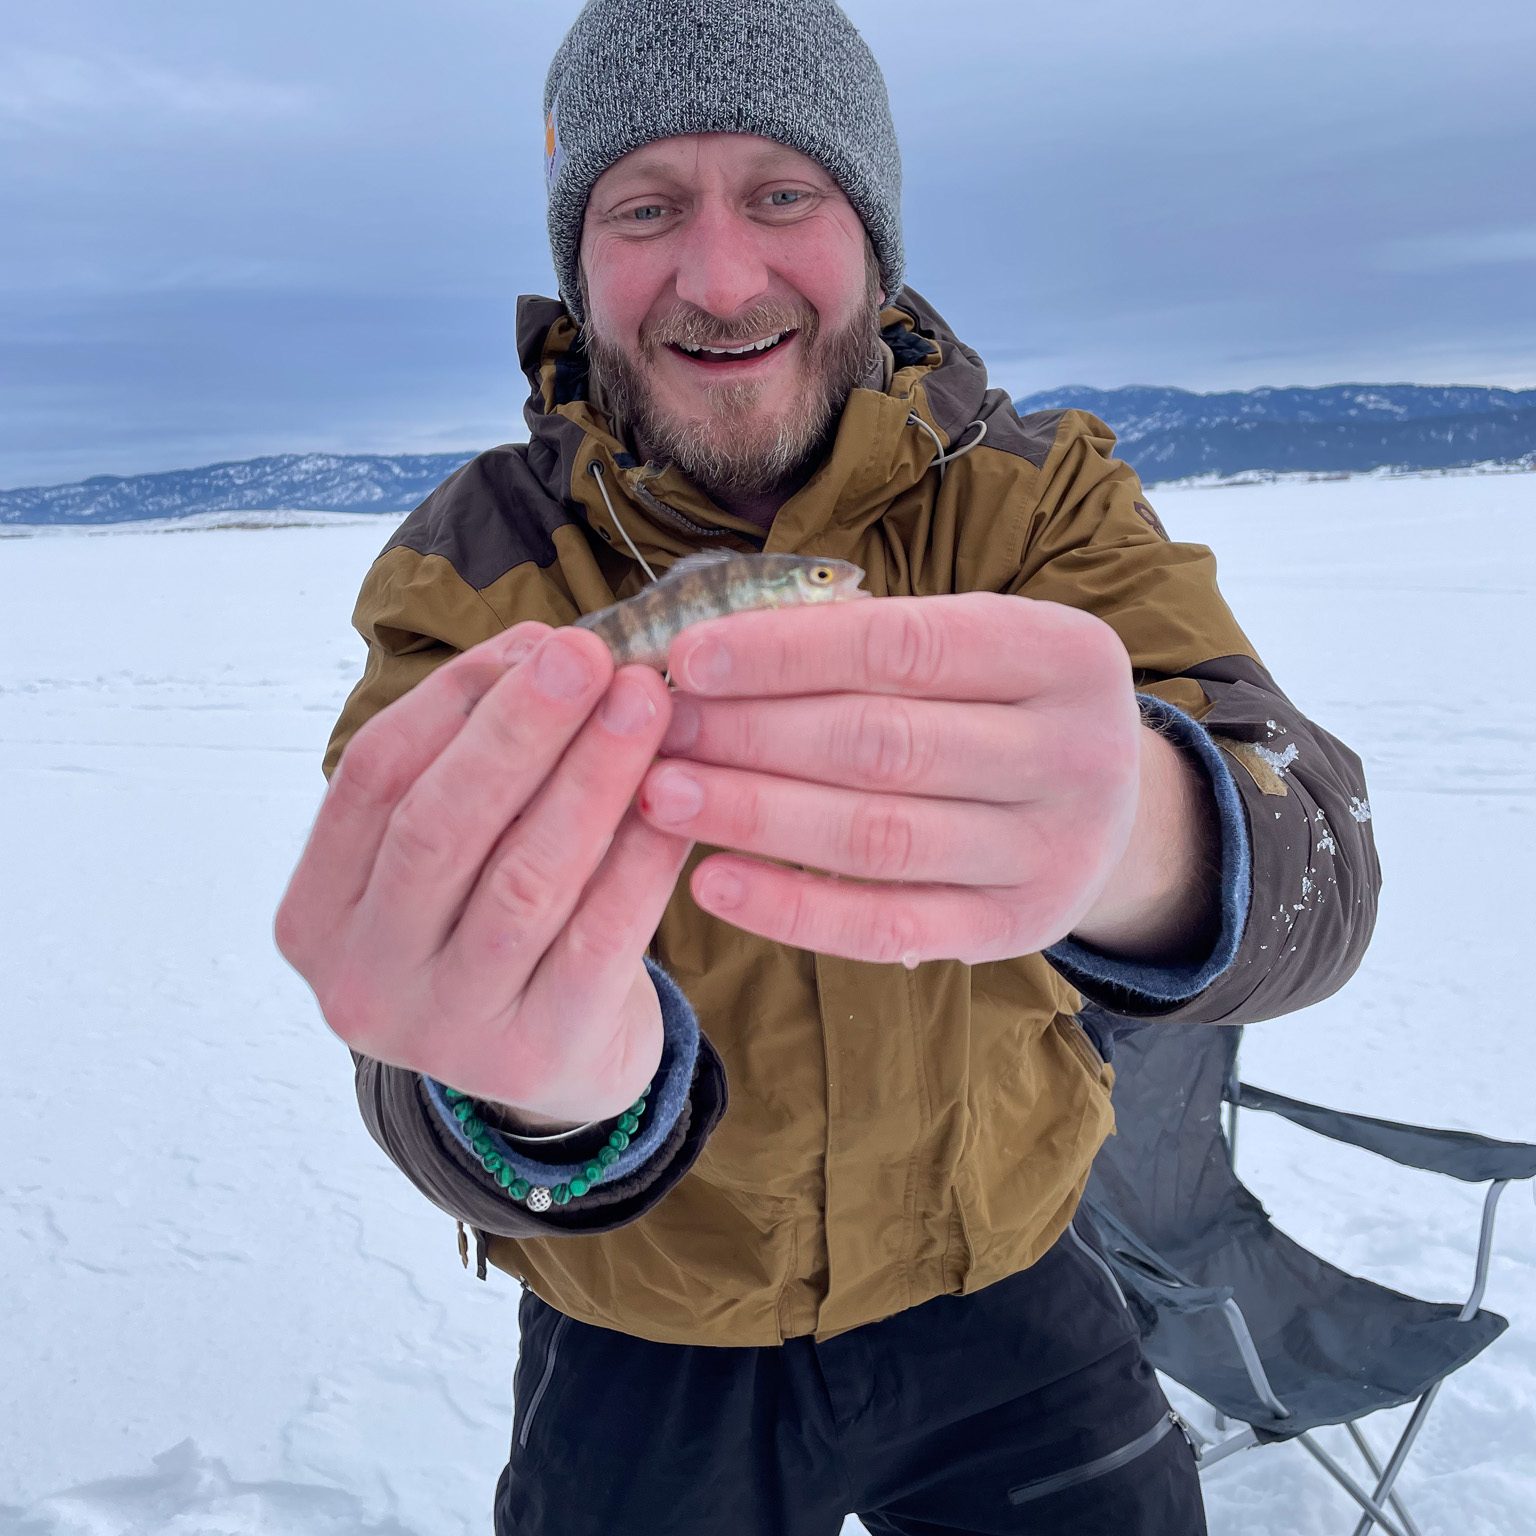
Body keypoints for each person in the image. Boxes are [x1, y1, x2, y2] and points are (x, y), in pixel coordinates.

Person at [274, 1, 1381, 1530]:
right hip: (639, 1326)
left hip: (1012, 1282)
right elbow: (415, 1057)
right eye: (644, 206)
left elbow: (1322, 863)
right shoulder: (467, 572)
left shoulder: (1038, 500)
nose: (720, 277)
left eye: (784, 193)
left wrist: (1152, 832)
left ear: (873, 231)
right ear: (576, 255)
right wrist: (538, 1101)